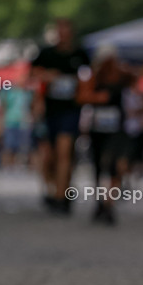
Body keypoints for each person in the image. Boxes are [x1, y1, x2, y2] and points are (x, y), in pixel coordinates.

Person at [32, 19, 90, 213]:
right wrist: (47, 76)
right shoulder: (46, 54)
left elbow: (88, 78)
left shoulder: (80, 55)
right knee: (49, 156)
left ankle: (61, 196)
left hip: (71, 110)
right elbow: (32, 73)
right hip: (49, 111)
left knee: (65, 152)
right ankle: (54, 188)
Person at [77, 45, 133, 225]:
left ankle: (109, 202)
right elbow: (82, 96)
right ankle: (101, 201)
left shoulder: (123, 76)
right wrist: (97, 97)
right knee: (99, 166)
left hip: (117, 129)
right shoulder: (94, 77)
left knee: (116, 165)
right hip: (98, 128)